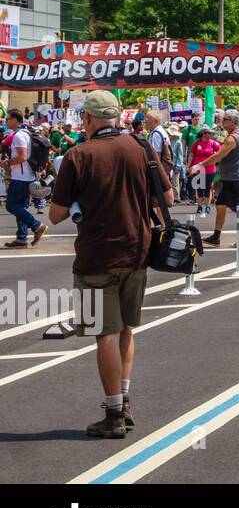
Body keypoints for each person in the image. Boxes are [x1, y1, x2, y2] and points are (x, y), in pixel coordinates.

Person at [49, 91, 172, 439]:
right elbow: (167, 197)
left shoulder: (78, 155)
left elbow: (56, 215)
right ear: (117, 117)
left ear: (87, 120)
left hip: (96, 256)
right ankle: (125, 398)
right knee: (126, 329)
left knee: (104, 333)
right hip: (137, 250)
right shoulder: (140, 147)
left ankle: (114, 413)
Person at [191, 109, 239, 249]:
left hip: (234, 177)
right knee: (220, 205)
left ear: (232, 122)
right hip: (234, 175)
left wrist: (199, 165)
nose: (222, 121)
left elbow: (218, 156)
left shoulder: (232, 138)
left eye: (225, 119)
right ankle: (216, 236)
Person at [3, 106, 46, 247]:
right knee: (20, 207)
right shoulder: (25, 133)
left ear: (15, 120)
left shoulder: (19, 135)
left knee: (11, 205)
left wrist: (7, 162)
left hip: (21, 177)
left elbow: (22, 156)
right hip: (26, 176)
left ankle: (36, 225)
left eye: (8, 119)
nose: (5, 121)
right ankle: (21, 238)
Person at [189, 127, 219, 215]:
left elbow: (221, 152)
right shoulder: (196, 143)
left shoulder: (213, 143)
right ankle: (199, 206)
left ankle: (207, 206)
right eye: (206, 133)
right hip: (198, 169)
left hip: (210, 169)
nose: (208, 135)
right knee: (199, 188)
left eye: (209, 133)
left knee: (208, 188)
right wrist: (188, 166)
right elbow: (191, 155)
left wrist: (216, 156)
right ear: (202, 134)